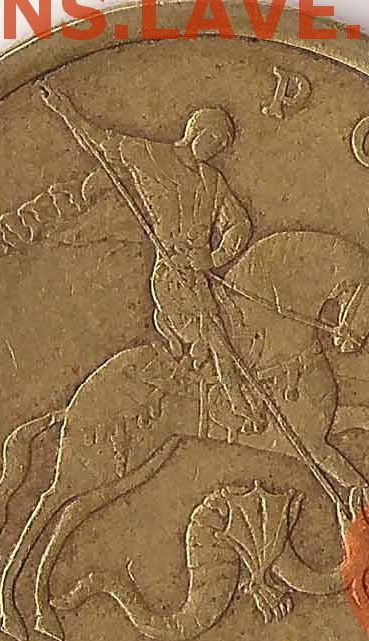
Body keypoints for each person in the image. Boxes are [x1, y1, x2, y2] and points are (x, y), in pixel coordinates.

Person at [40, 82, 263, 432]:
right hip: (171, 273)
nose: (218, 150)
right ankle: (236, 405)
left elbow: (239, 224)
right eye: (217, 141)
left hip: (200, 273)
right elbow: (99, 142)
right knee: (215, 334)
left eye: (222, 146)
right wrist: (66, 111)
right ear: (199, 133)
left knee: (243, 324)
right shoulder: (148, 155)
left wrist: (215, 257)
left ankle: (208, 379)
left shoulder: (211, 180)